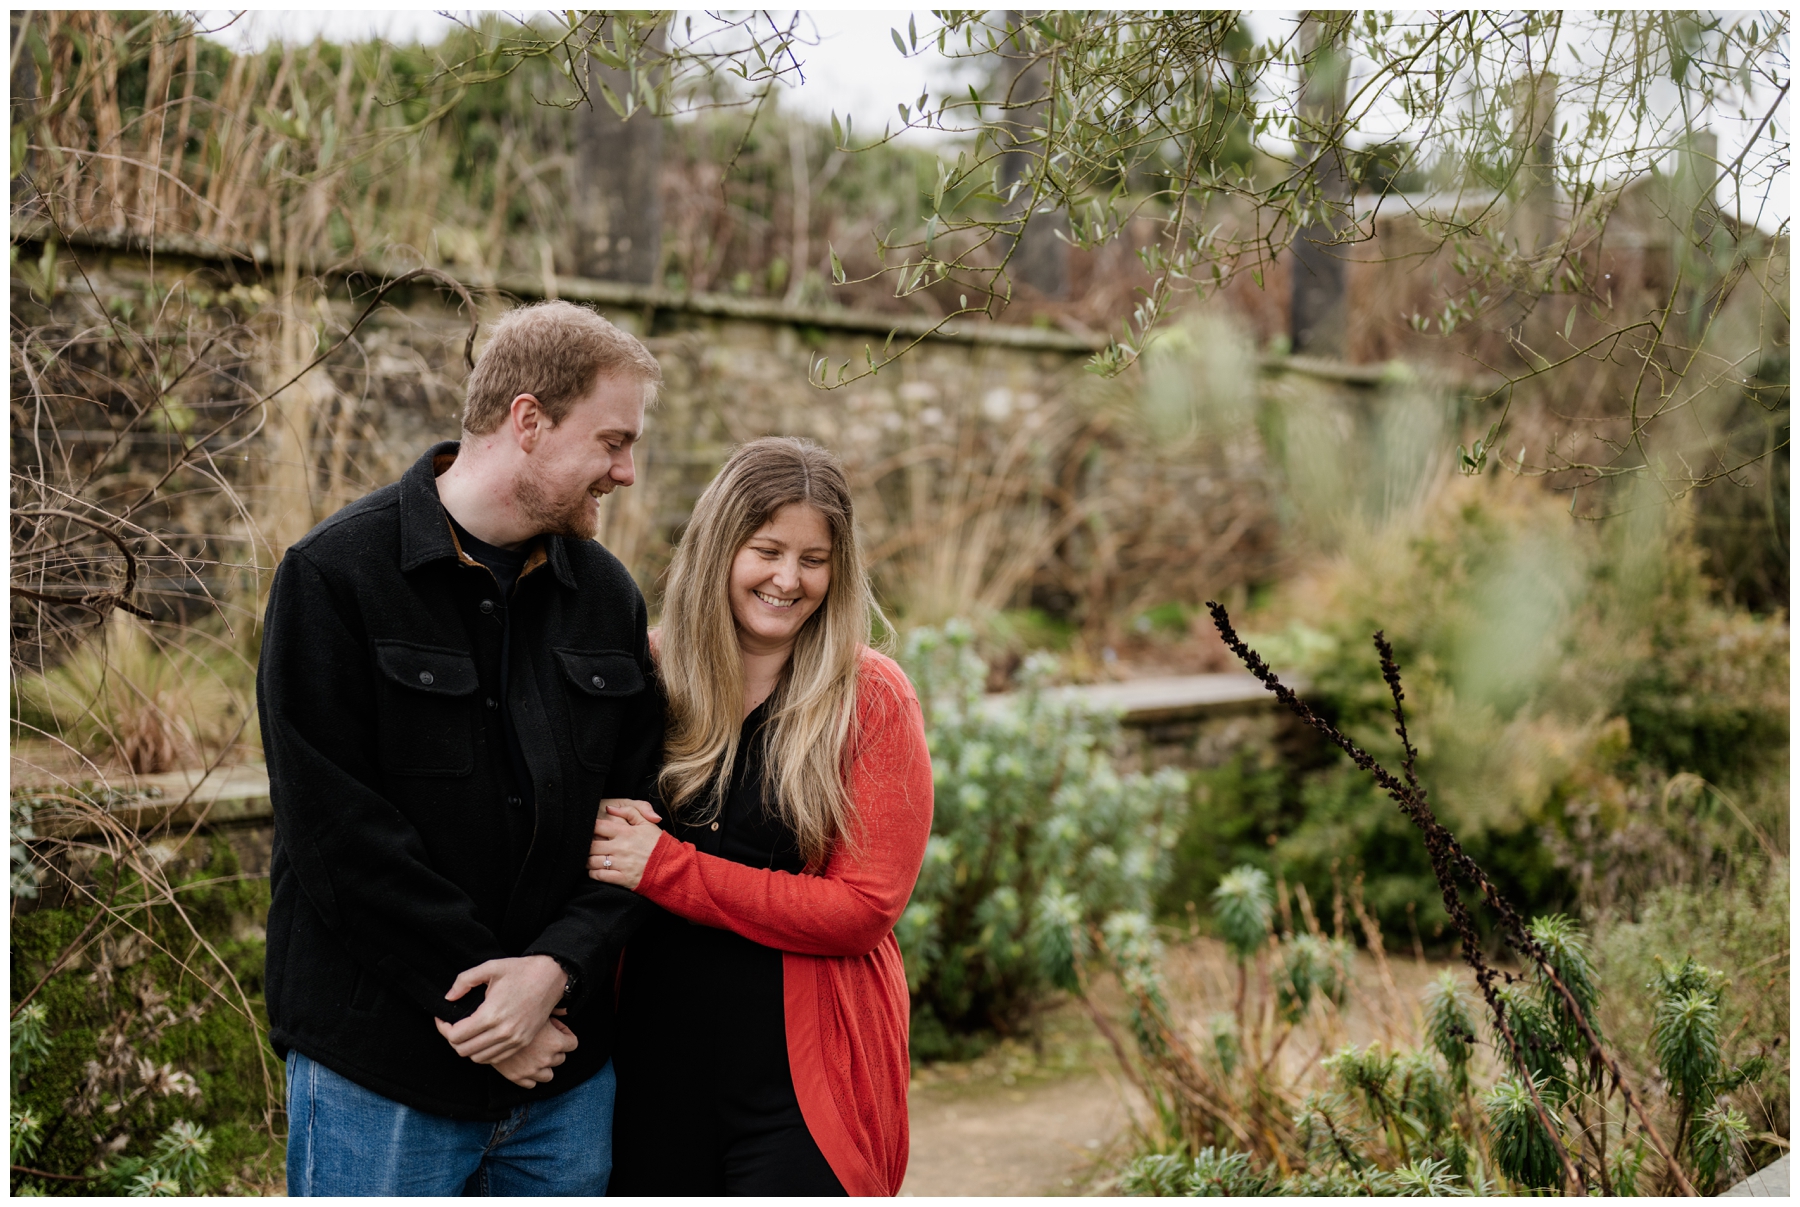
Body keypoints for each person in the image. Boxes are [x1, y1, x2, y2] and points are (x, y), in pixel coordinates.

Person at [258, 300, 665, 1195]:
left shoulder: (608, 598)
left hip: (563, 1079)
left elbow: (640, 822)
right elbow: (337, 834)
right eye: (612, 441)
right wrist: (490, 1005)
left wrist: (554, 975)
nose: (626, 472)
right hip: (383, 1077)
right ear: (529, 421)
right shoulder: (334, 577)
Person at [589, 436, 934, 1197]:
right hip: (651, 1064)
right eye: (767, 549)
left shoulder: (868, 696)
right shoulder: (645, 676)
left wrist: (667, 869)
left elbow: (863, 907)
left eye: (814, 559)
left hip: (802, 1087)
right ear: (720, 547)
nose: (788, 579)